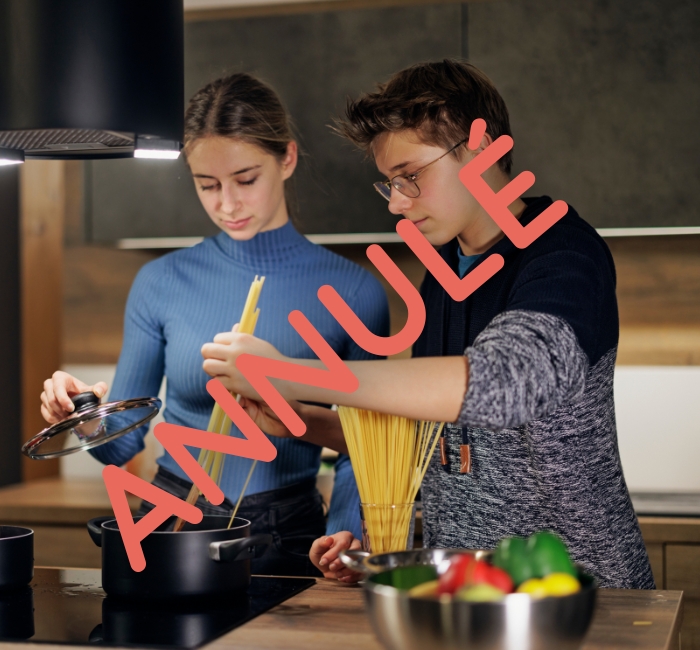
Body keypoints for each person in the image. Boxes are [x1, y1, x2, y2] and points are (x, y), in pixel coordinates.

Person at [200, 59, 655, 589]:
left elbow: (505, 384)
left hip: (582, 598)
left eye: (411, 176)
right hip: (470, 595)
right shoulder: (443, 272)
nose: (397, 204)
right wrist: (304, 421)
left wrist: (290, 373)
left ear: (483, 150)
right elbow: (437, 441)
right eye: (390, 183)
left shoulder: (564, 256)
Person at [40, 73, 389, 577]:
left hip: (287, 528)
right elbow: (121, 444)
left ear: (286, 158)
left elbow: (365, 442)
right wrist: (85, 415)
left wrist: (347, 524)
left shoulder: (354, 292)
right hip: (168, 516)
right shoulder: (160, 280)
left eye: (246, 180)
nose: (227, 203)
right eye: (208, 185)